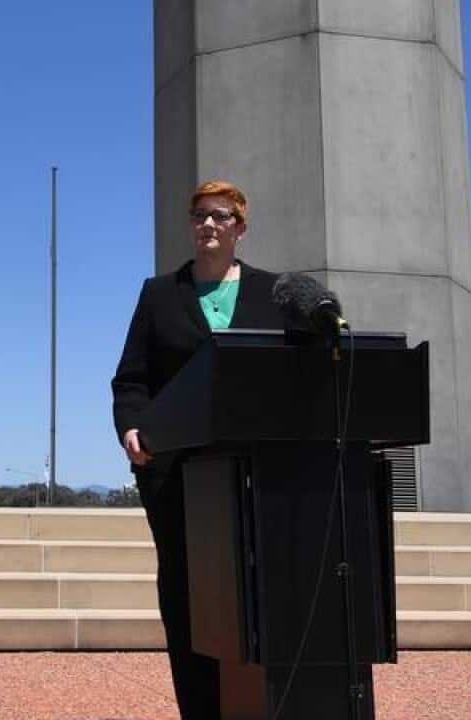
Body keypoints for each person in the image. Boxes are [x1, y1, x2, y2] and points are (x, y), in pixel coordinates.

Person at [111, 179, 284, 718]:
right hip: (175, 476)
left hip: (255, 475)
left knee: (257, 593)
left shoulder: (272, 293)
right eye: (199, 215)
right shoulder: (158, 294)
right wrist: (131, 429)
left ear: (241, 228)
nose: (208, 225)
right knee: (187, 597)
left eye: (221, 216)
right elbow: (131, 380)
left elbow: (289, 375)